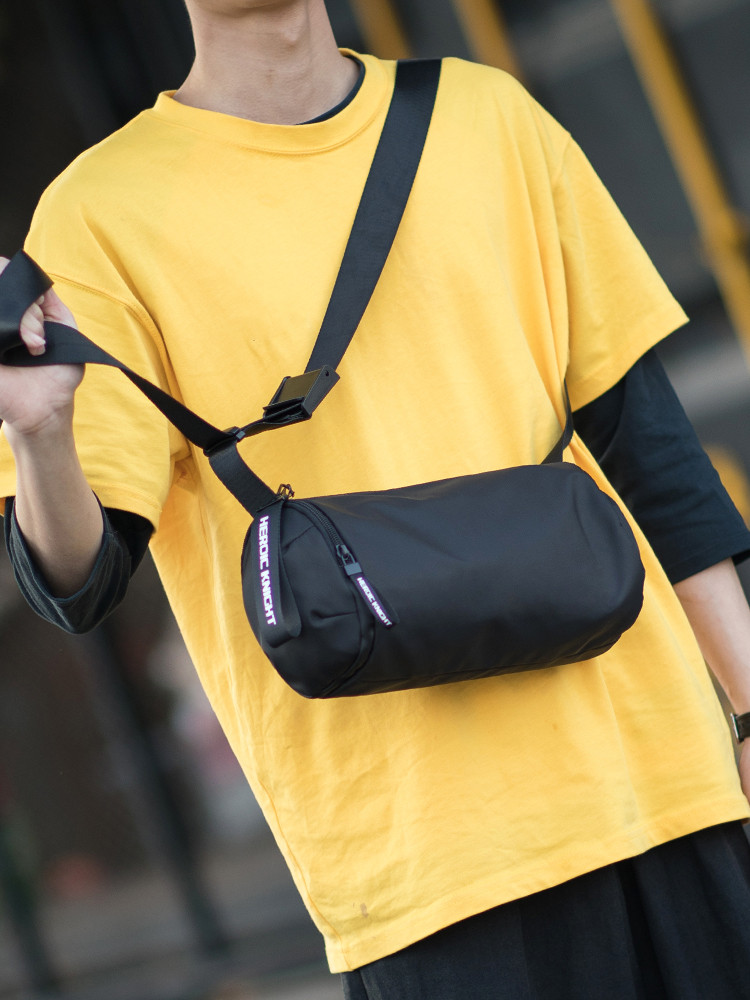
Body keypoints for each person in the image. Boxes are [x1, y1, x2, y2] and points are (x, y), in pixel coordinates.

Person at [3, 2, 750, 996]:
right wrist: (41, 431)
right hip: (425, 867)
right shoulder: (98, 217)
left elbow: (653, 458)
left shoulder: (491, 119)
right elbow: (78, 581)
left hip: (664, 782)